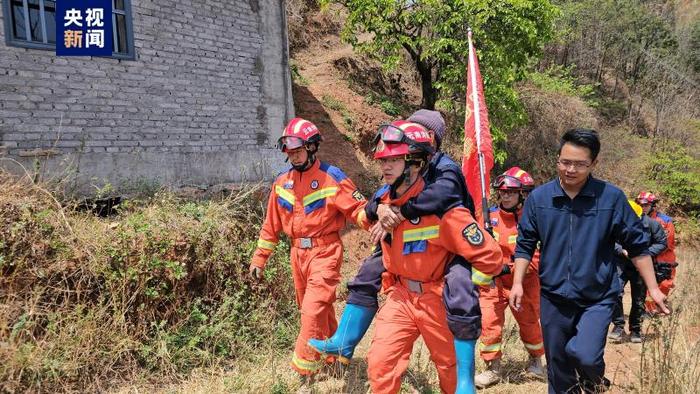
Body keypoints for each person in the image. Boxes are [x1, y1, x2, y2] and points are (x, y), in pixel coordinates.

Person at [308, 111, 485, 392]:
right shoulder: (401, 174)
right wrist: (379, 208)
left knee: (462, 295)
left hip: (451, 250)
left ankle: (465, 379)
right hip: (406, 265)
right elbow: (376, 199)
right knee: (367, 274)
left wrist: (401, 213)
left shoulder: (444, 167)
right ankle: (344, 339)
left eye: (413, 133)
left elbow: (443, 195)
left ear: (430, 142)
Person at [508, 128, 670, 393]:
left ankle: (593, 382)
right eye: (565, 162)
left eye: (580, 164)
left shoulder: (611, 198)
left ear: (594, 163)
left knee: (584, 355)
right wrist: (517, 283)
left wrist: (653, 288)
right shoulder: (540, 199)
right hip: (554, 296)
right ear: (557, 159)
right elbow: (525, 245)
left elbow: (638, 246)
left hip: (598, 296)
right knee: (558, 369)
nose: (570, 169)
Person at [363, 119, 503, 393]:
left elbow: (492, 257)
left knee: (449, 368)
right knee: (380, 365)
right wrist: (376, 209)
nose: (385, 166)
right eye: (382, 160)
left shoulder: (445, 213)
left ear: (416, 163)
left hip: (436, 299)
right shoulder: (386, 203)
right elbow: (361, 212)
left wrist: (462, 280)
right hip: (400, 295)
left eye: (394, 160)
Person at [248, 118, 370, 380]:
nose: (294, 157)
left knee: (311, 311)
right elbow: (271, 226)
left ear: (312, 147)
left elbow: (359, 210)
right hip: (297, 255)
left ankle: (304, 372)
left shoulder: (332, 178)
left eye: (298, 151)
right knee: (319, 309)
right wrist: (260, 258)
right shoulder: (281, 183)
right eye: (290, 153)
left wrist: (379, 227)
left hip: (325, 252)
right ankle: (335, 356)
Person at [474, 167, 546, 388]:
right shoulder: (487, 217)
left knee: (530, 322)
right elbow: (475, 248)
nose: (505, 196)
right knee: (489, 322)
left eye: (511, 193)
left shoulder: (534, 221)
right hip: (492, 283)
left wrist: (507, 270)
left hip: (524, 283)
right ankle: (492, 368)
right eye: (503, 192)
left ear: (523, 194)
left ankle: (536, 362)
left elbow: (536, 260)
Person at [609, 199, 667, 343]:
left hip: (641, 265)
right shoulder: (617, 222)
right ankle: (618, 326)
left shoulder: (652, 224)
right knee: (614, 292)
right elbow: (610, 240)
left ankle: (636, 329)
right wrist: (621, 250)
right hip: (621, 263)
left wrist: (643, 253)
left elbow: (662, 243)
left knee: (638, 298)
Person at [635, 192, 678, 314]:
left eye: (646, 205)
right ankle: (649, 310)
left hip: (663, 258)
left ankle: (659, 306)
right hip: (644, 257)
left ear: (652, 205)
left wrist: (648, 252)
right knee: (643, 285)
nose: (643, 208)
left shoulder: (664, 221)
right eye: (640, 205)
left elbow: (667, 243)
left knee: (665, 284)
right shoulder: (635, 218)